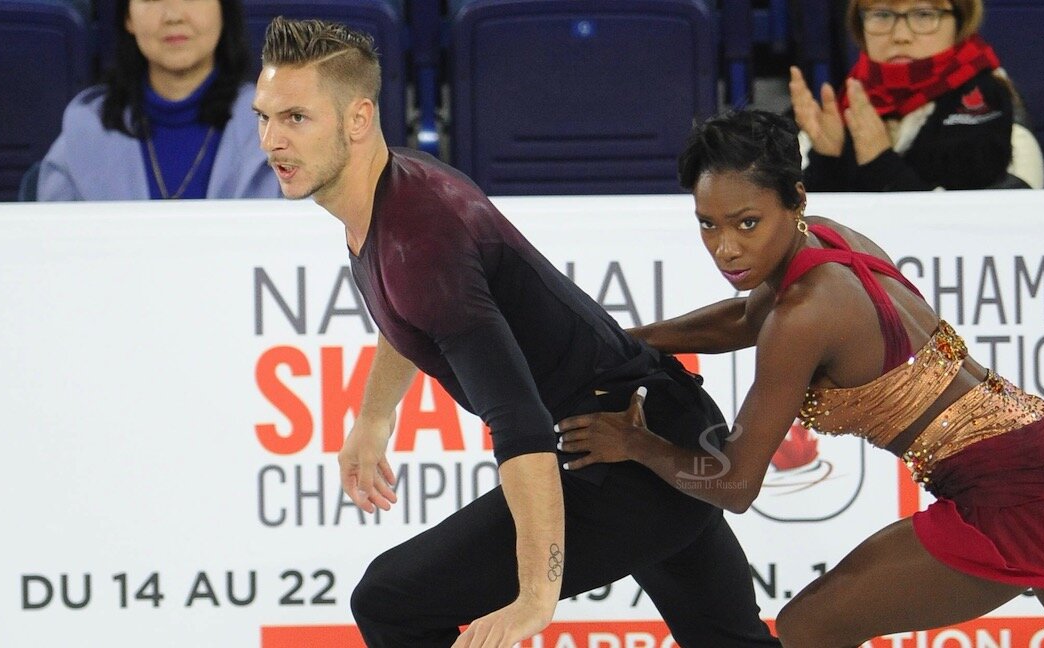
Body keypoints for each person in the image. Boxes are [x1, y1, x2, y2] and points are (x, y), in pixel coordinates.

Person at [251, 17, 781, 648]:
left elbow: (521, 426)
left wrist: (536, 597)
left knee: (392, 602)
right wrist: (373, 419)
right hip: (653, 427)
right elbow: (408, 314)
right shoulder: (391, 196)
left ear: (358, 119)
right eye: (264, 117)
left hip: (622, 458)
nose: (271, 141)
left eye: (295, 119)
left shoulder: (420, 236)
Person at [557, 108, 1044, 647]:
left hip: (1014, 494)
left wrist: (636, 444)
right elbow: (745, 317)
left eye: (745, 223)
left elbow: (737, 485)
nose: (726, 248)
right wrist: (634, 338)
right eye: (708, 225)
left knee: (808, 627)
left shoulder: (802, 317)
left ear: (794, 198)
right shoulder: (828, 238)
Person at [789, 0, 1044, 191]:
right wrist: (827, 157)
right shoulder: (849, 98)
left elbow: (964, 228)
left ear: (960, 20)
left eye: (923, 14)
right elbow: (816, 231)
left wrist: (879, 161)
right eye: (881, 15)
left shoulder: (983, 97)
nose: (900, 36)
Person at [37, 0, 277, 200]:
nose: (173, 16)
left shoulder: (277, 128)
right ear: (128, 18)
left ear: (223, 9)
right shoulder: (85, 132)